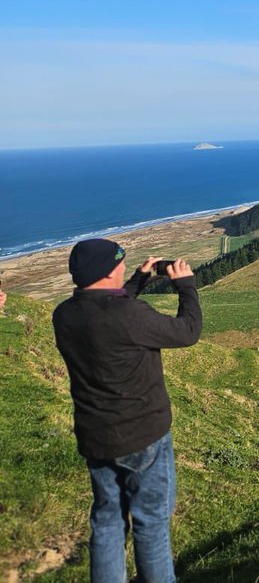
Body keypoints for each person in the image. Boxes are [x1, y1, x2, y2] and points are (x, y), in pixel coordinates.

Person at [52, 239, 202, 583]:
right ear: (108, 272)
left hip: (96, 437)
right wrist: (186, 286)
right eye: (120, 264)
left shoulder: (64, 315)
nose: (123, 268)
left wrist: (137, 281)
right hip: (144, 436)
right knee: (151, 525)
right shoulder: (130, 316)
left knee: (107, 521)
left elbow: (105, 309)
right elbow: (188, 332)